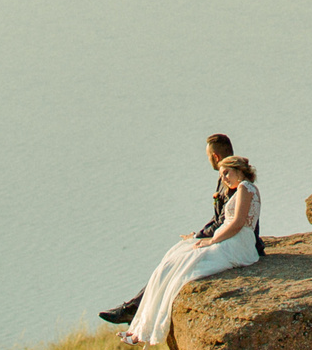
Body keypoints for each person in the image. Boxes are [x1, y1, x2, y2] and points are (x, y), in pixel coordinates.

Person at [119, 155, 261, 347]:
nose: (224, 178)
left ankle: (143, 331)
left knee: (186, 266)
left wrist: (212, 240)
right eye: (221, 174)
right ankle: (139, 327)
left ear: (239, 169)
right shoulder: (242, 189)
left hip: (237, 242)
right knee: (176, 256)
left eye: (226, 172)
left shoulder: (245, 187)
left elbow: (237, 223)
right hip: (231, 238)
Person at [97, 134, 235, 325]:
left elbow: (223, 222)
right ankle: (133, 307)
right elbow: (217, 218)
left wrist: (200, 237)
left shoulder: (233, 182)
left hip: (227, 241)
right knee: (172, 258)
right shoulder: (227, 177)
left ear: (216, 157)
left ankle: (133, 310)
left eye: (209, 156)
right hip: (221, 237)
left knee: (177, 264)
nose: (208, 160)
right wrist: (196, 235)